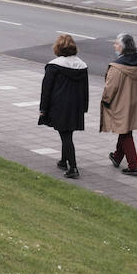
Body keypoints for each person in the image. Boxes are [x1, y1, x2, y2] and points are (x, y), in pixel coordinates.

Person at [39, 33, 88, 179]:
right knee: (67, 133)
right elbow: (85, 89)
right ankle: (63, 161)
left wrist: (43, 109)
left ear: (58, 48)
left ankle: (73, 167)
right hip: (76, 106)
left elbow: (46, 90)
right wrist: (84, 107)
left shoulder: (54, 66)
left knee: (66, 136)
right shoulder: (82, 66)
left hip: (60, 106)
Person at [101, 33, 137, 177]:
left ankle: (133, 166)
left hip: (122, 104)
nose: (114, 45)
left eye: (116, 43)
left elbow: (110, 88)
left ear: (122, 47)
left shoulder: (117, 67)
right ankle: (116, 156)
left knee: (125, 132)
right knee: (126, 130)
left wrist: (105, 100)